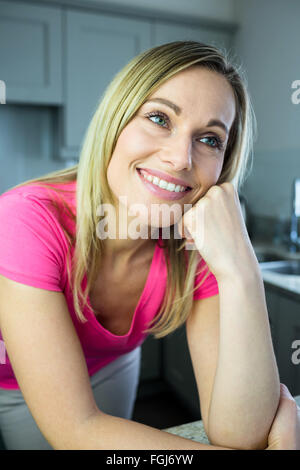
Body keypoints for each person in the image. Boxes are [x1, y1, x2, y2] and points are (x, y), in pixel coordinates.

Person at [0, 40, 298, 450]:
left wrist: (242, 268)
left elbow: (241, 434)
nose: (180, 158)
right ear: (115, 121)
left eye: (210, 139)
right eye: (159, 117)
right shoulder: (25, 218)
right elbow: (75, 429)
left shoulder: (201, 242)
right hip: (8, 380)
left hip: (110, 364)